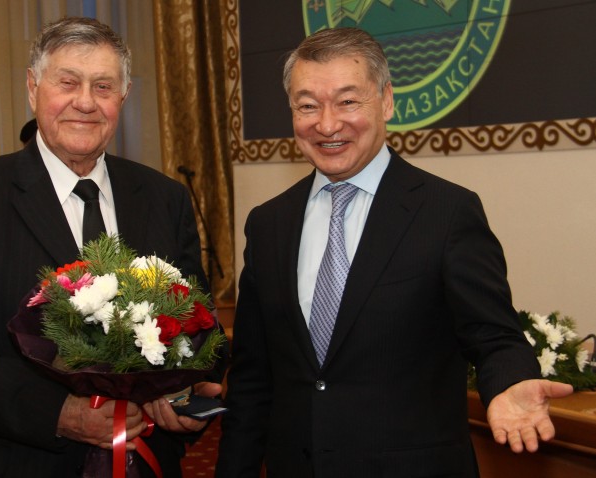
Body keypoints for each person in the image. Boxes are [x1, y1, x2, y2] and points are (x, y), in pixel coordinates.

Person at [215, 27, 573, 478]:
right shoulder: (269, 223)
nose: (327, 124)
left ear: (386, 101)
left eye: (348, 101)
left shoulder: (447, 212)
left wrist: (510, 381)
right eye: (307, 105)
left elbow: (493, 335)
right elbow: (252, 379)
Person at [0, 17, 225, 478]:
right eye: (68, 82)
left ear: (123, 96)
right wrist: (58, 413)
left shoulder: (163, 197)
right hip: (19, 461)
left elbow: (201, 323)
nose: (85, 102)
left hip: (147, 458)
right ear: (33, 89)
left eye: (103, 86)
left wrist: (183, 393)